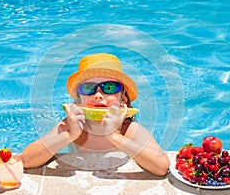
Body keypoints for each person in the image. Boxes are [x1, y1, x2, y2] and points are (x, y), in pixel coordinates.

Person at [21, 53, 170, 176]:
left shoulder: (129, 129)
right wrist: (70, 135)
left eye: (109, 87)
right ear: (79, 99)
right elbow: (26, 160)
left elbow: (162, 167)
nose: (98, 95)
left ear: (123, 99)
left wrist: (115, 136)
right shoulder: (71, 125)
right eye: (88, 88)